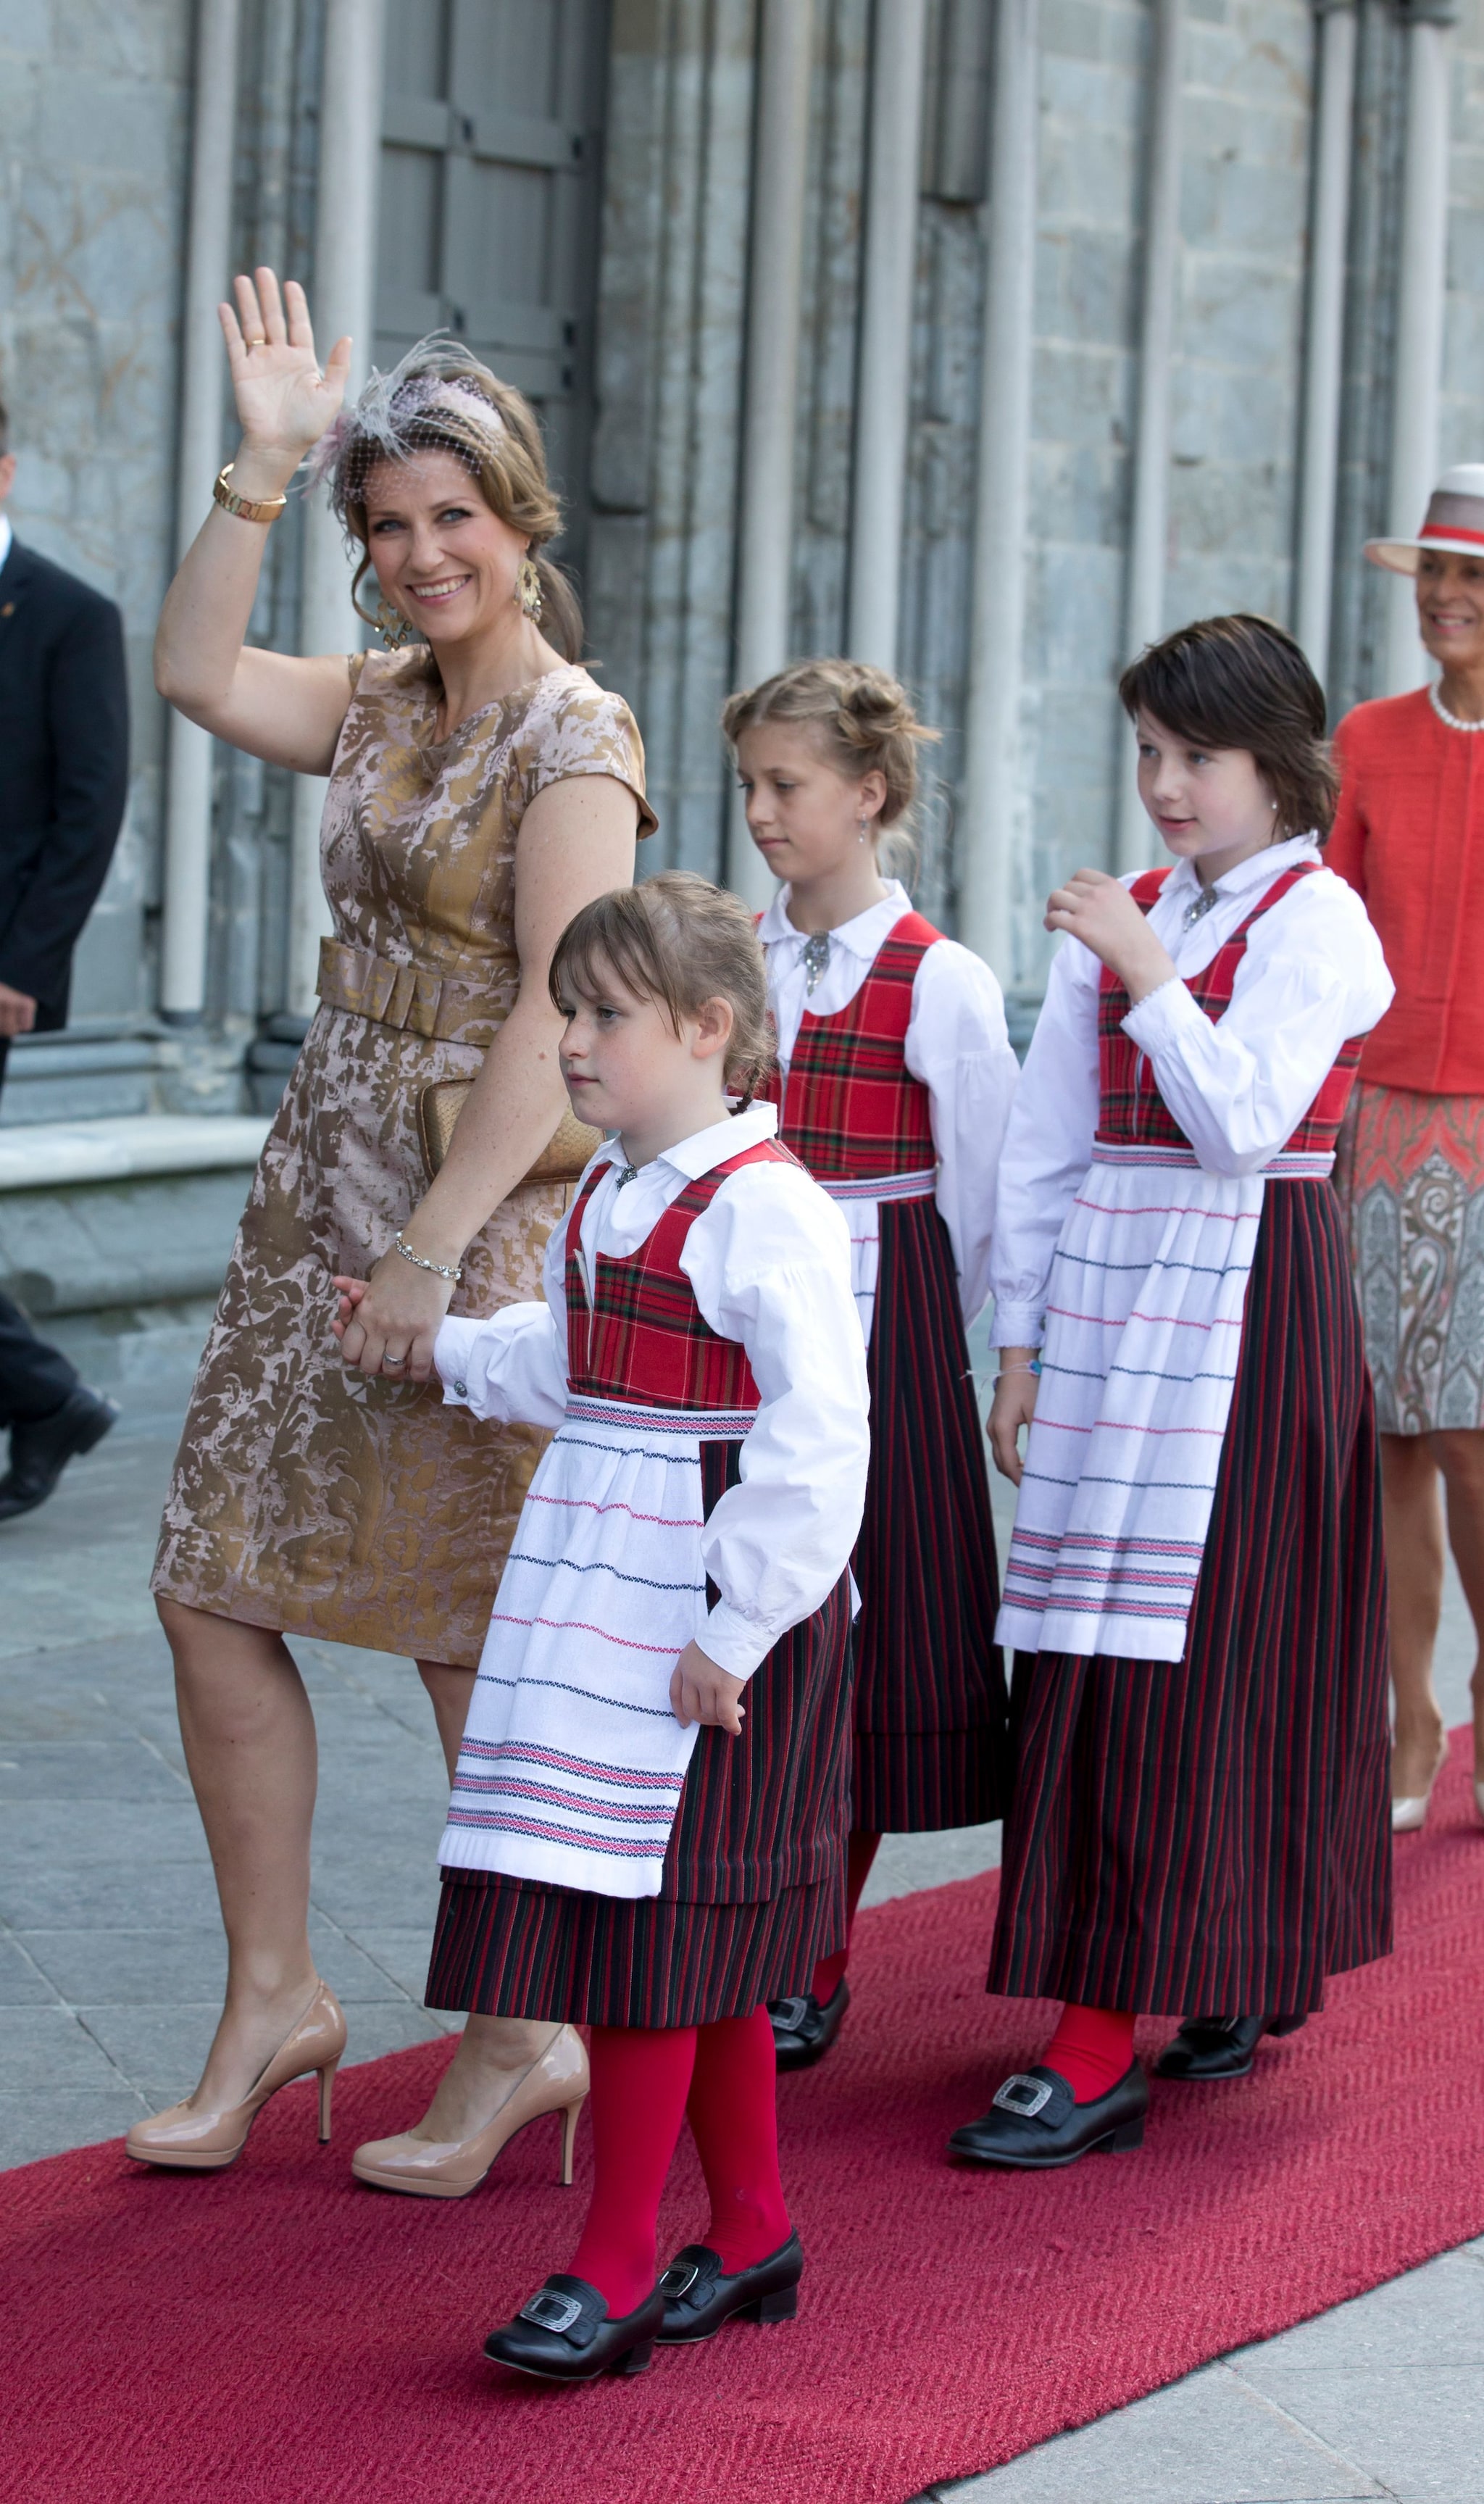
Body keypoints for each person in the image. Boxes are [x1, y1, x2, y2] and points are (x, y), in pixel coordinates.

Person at [129, 268, 651, 2174]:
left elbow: (557, 1010)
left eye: (457, 518)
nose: (426, 554)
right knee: (208, 1585)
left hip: (468, 1211)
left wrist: (433, 1251)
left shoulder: (574, 740)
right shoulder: (375, 703)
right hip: (308, 1188)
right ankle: (278, 1994)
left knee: (465, 1632)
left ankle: (526, 2030)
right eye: (392, 524)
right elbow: (194, 675)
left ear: (520, 522)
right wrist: (260, 472)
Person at [344, 875, 868, 2381]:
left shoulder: (764, 1204)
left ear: (709, 1029)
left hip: (701, 1617)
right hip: (597, 1585)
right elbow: (575, 1366)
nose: (571, 1042)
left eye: (603, 1015)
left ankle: (621, 2256)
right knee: (669, 1931)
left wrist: (742, 1623)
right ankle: (754, 2226)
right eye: (566, 1011)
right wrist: (434, 1343)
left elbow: (823, 1437)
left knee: (655, 1936)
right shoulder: (612, 1188)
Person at [950, 615, 1394, 2171]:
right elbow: (1046, 1146)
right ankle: (1204, 1970)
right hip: (1115, 1300)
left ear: (1277, 766)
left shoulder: (1319, 923)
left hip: (1251, 1301)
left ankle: (1108, 2032)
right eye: (1148, 752)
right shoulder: (1128, 912)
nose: (1163, 786)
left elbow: (1240, 1125)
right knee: (1083, 1649)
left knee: (1217, 1657)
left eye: (1193, 756)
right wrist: (1015, 1350)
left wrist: (1146, 976)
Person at [722, 659, 1017, 2070]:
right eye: (749, 788)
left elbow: (987, 1201)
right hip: (745, 1312)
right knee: (749, 1618)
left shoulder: (941, 980)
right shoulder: (736, 960)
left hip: (884, 1319)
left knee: (864, 1643)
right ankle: (735, 1916)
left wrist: (937, 1361)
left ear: (869, 794)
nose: (761, 814)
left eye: (786, 788)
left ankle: (814, 1949)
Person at [1330, 465, 1484, 1831]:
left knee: (1476, 1437)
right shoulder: (1367, 741)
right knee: (1390, 1437)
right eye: (1434, 572)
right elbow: (1325, 927)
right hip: (1374, 1119)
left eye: (1470, 577)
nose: (1443, 595)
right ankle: (1412, 1718)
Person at [0, 391, 128, 1521]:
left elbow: (89, 809)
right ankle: (45, 1398)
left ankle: (45, 1397)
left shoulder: (69, 615)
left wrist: (25, 969)